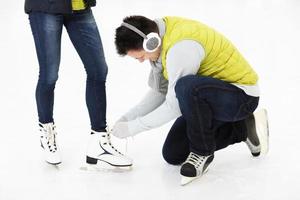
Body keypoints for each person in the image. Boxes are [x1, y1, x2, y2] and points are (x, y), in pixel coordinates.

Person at [112, 15, 269, 185]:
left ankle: (203, 153)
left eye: (140, 56)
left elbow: (174, 106)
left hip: (241, 97)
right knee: (173, 153)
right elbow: (160, 93)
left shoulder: (180, 48)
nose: (141, 61)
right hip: (209, 98)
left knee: (186, 87)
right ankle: (242, 128)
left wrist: (133, 128)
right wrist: (127, 119)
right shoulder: (160, 42)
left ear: (151, 42)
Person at [25, 0, 132, 167]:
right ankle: (46, 131)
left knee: (98, 70)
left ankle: (99, 140)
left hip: (80, 7)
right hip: (46, 8)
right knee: (49, 75)